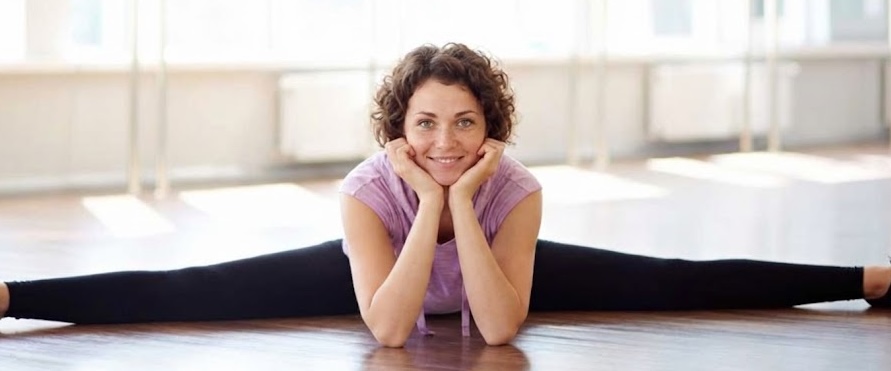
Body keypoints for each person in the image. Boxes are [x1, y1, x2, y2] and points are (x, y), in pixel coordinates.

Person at [0, 43, 889, 348]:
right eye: (425, 124)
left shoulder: (516, 189)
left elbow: (499, 328)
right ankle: (11, 295)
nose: (444, 143)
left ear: (490, 127)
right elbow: (388, 329)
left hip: (494, 266)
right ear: (399, 125)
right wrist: (425, 203)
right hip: (379, 271)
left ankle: (867, 276)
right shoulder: (364, 194)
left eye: (464, 123)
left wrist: (465, 203)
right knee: (189, 292)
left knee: (670, 277)